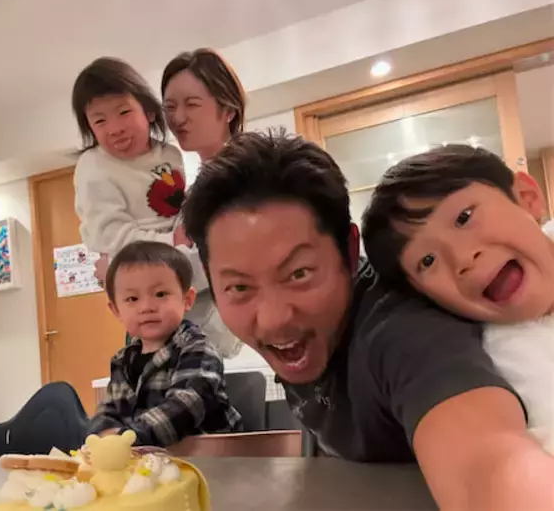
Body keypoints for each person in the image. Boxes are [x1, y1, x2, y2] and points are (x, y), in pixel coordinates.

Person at [181, 130, 554, 510]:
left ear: (349, 251)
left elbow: (489, 464)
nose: (274, 319)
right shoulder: (308, 334)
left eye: (299, 274)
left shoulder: (404, 332)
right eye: (239, 288)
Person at [361, 144, 554, 453]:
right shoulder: (500, 369)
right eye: (427, 261)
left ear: (526, 197)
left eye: (464, 217)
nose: (463, 257)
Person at [87, 240, 242, 446]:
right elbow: (109, 408)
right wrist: (100, 435)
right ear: (116, 310)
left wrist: (130, 437)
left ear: (187, 300)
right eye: (132, 299)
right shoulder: (122, 360)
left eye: (160, 294)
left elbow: (187, 404)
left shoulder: (197, 348)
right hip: (149, 456)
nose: (147, 307)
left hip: (209, 456)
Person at [160, 48, 247, 358]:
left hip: (210, 343)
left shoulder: (244, 172)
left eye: (192, 104)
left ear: (229, 110)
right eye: (170, 107)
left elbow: (223, 260)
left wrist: (139, 269)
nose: (178, 118)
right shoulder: (198, 183)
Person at [72, 56, 186, 275]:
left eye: (124, 112)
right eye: (100, 121)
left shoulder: (170, 155)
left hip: (178, 260)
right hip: (131, 266)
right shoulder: (94, 165)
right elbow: (108, 235)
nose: (115, 129)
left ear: (149, 112)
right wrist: (171, 240)